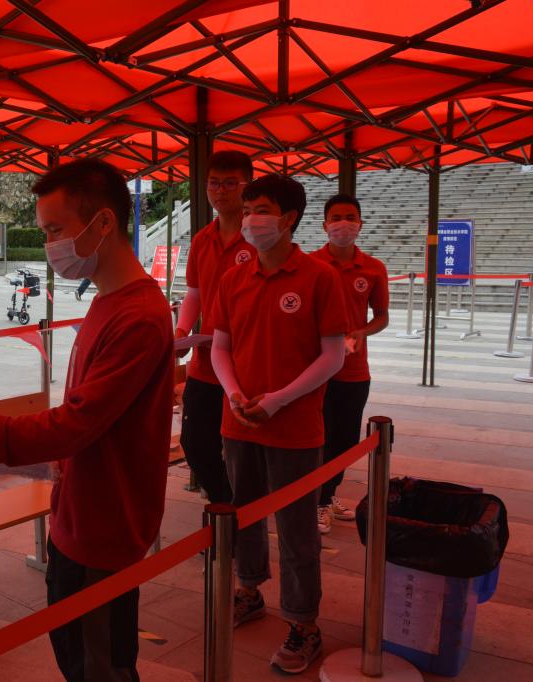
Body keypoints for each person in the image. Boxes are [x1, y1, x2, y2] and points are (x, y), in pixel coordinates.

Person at [0, 158, 173, 681]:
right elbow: (83, 425)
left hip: (106, 524)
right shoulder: (107, 302)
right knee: (75, 652)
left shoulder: (139, 317)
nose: (50, 244)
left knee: (99, 665)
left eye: (55, 230)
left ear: (103, 223)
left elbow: (75, 424)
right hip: (77, 510)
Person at [209, 174, 348, 674]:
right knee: (244, 515)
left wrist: (279, 400)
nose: (250, 220)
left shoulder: (319, 277)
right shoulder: (234, 278)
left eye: (261, 210)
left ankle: (304, 623)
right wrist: (235, 394)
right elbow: (220, 346)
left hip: (294, 428)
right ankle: (249, 591)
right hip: (239, 421)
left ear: (289, 218)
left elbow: (333, 355)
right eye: (247, 210)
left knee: (295, 529)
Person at [174, 150, 255, 503]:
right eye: (214, 183)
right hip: (206, 363)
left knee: (242, 446)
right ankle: (227, 505)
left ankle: (237, 512)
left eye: (230, 183)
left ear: (247, 186)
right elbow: (194, 293)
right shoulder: (201, 239)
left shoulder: (258, 238)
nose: (220, 191)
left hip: (247, 365)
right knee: (195, 443)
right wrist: (182, 332)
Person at [310, 194, 389, 534]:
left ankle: (327, 494)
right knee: (318, 437)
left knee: (344, 440)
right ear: (325, 225)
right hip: (316, 369)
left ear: (360, 223)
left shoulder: (373, 268)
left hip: (354, 370)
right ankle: (317, 500)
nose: (344, 224)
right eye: (336, 217)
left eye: (350, 217)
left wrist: (362, 331)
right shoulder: (310, 265)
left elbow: (382, 316)